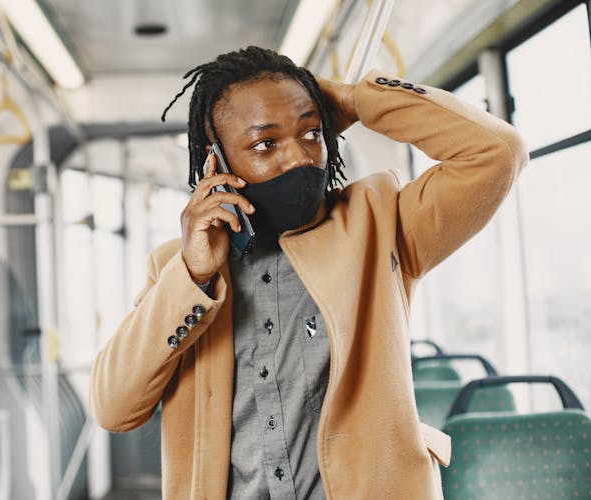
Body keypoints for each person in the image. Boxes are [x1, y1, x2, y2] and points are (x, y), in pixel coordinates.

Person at [89, 46, 527, 499]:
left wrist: (356, 99)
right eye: (265, 144)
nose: (299, 157)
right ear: (214, 162)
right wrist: (194, 275)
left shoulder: (381, 222)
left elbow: (498, 151)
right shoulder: (176, 270)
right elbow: (113, 407)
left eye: (311, 132)